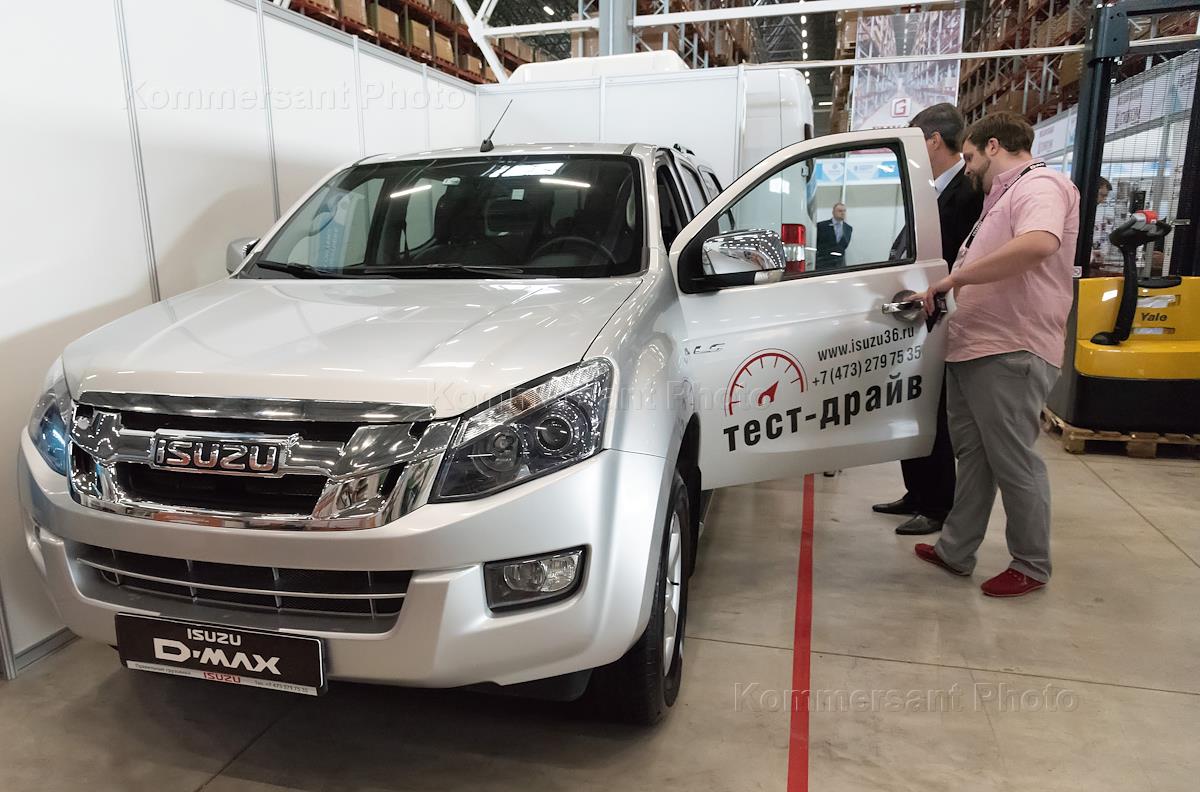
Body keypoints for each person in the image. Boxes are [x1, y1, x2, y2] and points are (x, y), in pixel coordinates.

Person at [914, 111, 1079, 598]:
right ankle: (956, 549)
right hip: (976, 346)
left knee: (1013, 461)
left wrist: (957, 278)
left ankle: (1031, 563)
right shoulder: (1001, 197)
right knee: (975, 457)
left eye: (968, 157)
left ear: (992, 146)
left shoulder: (1040, 186)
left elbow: (1039, 243)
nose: (966, 168)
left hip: (1010, 348)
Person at [873, 103, 983, 535]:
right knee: (912, 403)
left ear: (933, 140)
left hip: (944, 315)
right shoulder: (935, 189)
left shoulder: (968, 193)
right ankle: (917, 493)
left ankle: (937, 504)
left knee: (934, 413)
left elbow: (961, 257)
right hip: (918, 314)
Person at [815, 203, 852, 270]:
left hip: (839, 263)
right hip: (823, 262)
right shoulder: (822, 226)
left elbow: (844, 245)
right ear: (833, 212)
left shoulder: (848, 228)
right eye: (840, 211)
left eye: (844, 211)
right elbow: (817, 243)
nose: (843, 213)